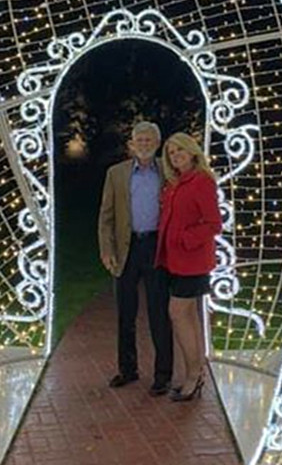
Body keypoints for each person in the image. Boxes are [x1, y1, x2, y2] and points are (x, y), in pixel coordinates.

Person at [98, 121, 173, 396]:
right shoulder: (116, 174)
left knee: (159, 313)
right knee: (125, 314)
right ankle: (127, 370)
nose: (143, 143)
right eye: (139, 139)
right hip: (126, 249)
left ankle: (163, 375)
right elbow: (106, 217)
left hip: (156, 248)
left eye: (149, 140)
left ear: (157, 143)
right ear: (131, 143)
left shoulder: (168, 172)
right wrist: (106, 249)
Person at [155, 132, 222, 402]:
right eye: (171, 153)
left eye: (180, 150)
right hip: (174, 260)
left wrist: (185, 239)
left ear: (192, 151)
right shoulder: (175, 182)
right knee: (189, 316)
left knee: (177, 313)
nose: (175, 156)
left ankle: (192, 376)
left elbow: (213, 223)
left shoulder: (201, 181)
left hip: (192, 260)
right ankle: (196, 372)